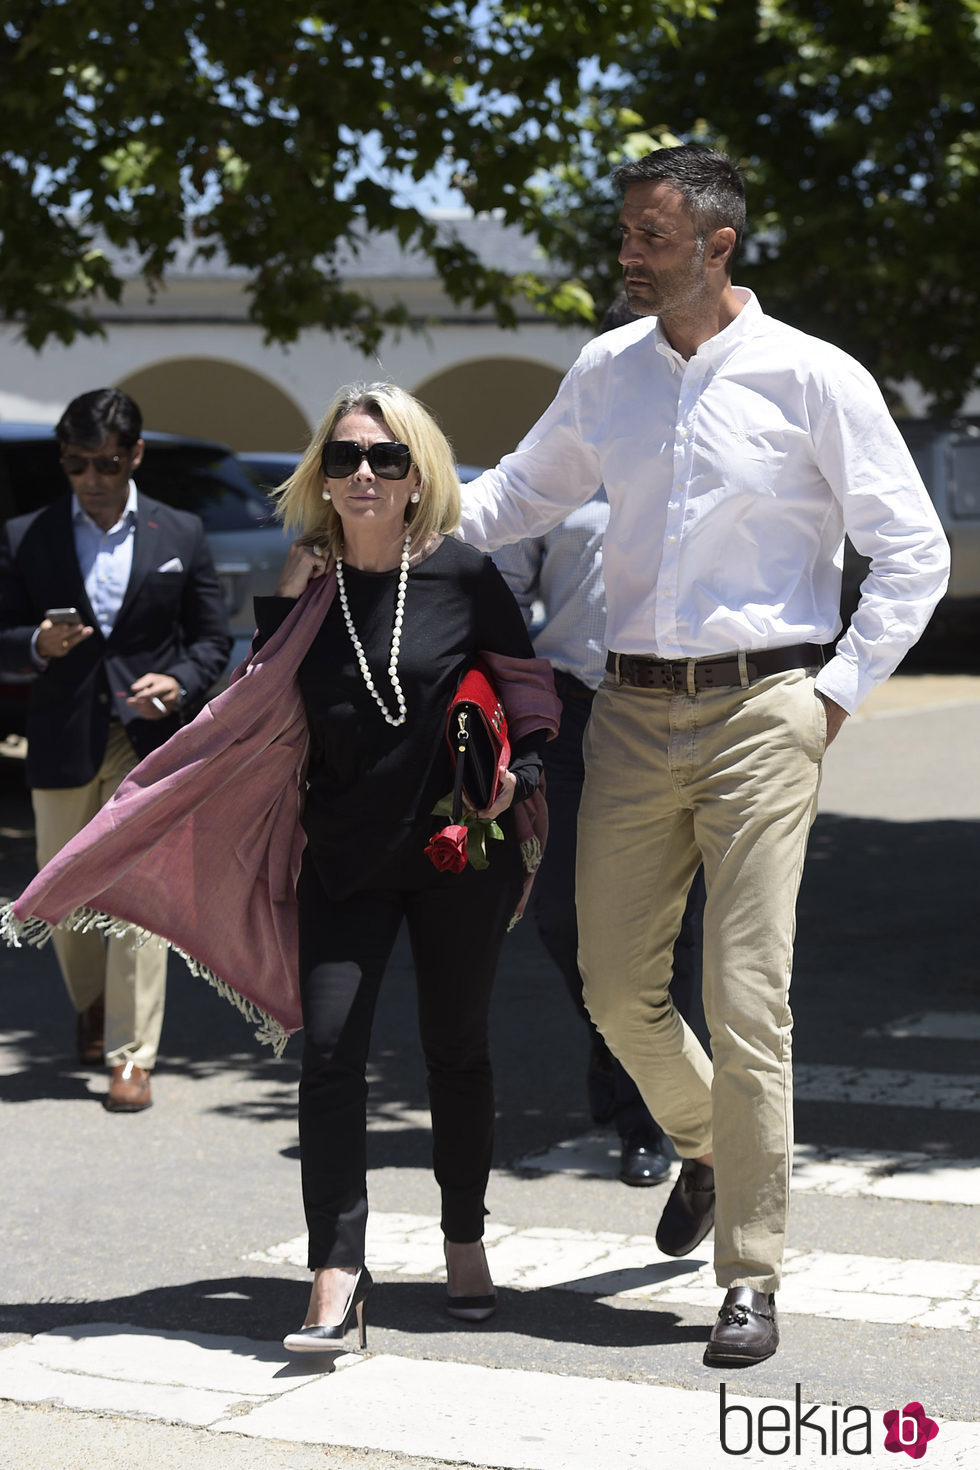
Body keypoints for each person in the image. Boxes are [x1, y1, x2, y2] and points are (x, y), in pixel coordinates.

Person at [455, 145, 950, 1365]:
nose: (627, 256)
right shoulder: (604, 372)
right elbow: (513, 497)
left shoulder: (812, 378)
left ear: (717, 246)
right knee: (614, 988)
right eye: (624, 234)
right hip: (623, 714)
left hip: (762, 712)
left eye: (650, 238)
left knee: (745, 998)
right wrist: (390, 510)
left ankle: (752, 1273)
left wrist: (826, 698)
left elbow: (912, 552)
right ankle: (705, 1146)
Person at [0, 388, 232, 1111]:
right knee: (56, 895)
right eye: (75, 464)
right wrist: (36, 644)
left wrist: (181, 679)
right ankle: (91, 1002)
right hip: (62, 736)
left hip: (148, 741)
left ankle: (134, 1056)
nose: (91, 478)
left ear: (134, 455)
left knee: (139, 898)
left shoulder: (181, 534)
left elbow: (211, 640)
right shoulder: (24, 536)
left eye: (105, 462)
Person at [493, 471, 706, 1187]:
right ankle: (610, 1032)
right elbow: (503, 593)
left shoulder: (697, 457)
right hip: (571, 709)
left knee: (674, 925)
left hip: (680, 708)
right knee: (562, 915)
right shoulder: (559, 465)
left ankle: (648, 1117)